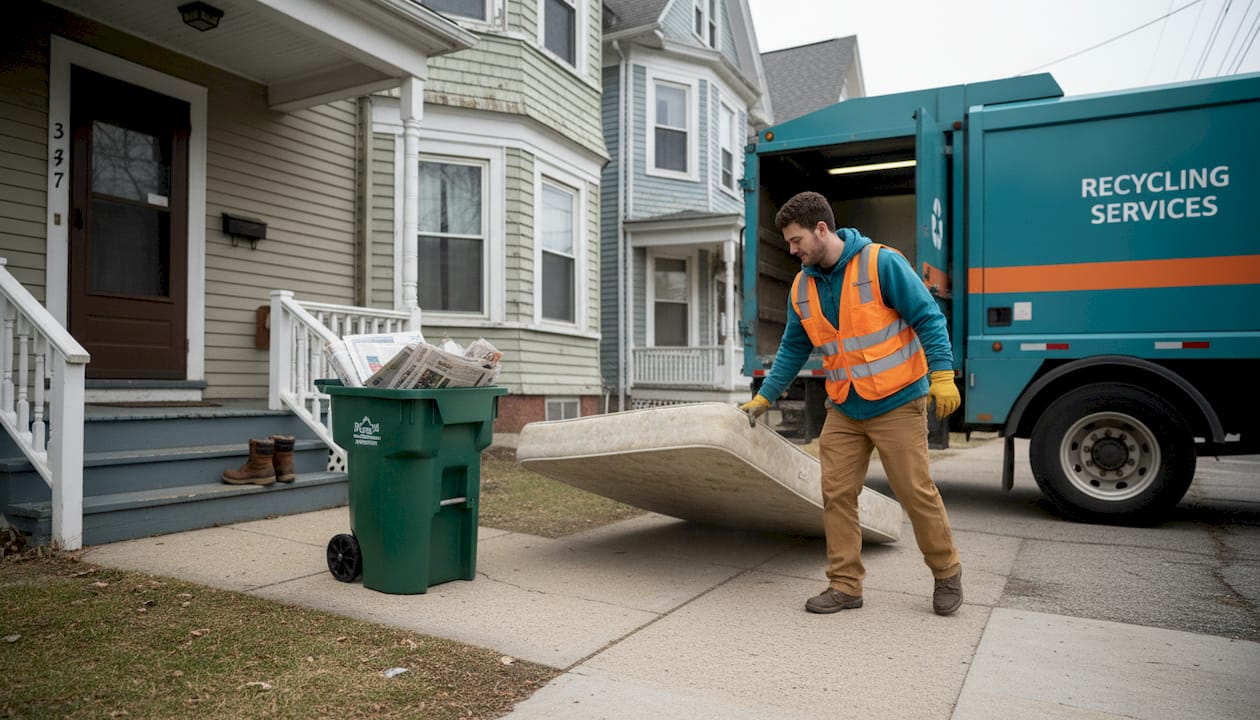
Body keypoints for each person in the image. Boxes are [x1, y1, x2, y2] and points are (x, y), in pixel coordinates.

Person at [740, 190, 964, 616]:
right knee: (836, 492)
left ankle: (946, 571)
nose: (792, 250)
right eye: (788, 243)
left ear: (821, 229)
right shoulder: (802, 286)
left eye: (796, 240)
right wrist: (766, 396)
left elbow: (928, 317)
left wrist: (941, 374)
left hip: (898, 401)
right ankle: (845, 585)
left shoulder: (881, 263)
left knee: (915, 492)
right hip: (845, 406)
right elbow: (793, 346)